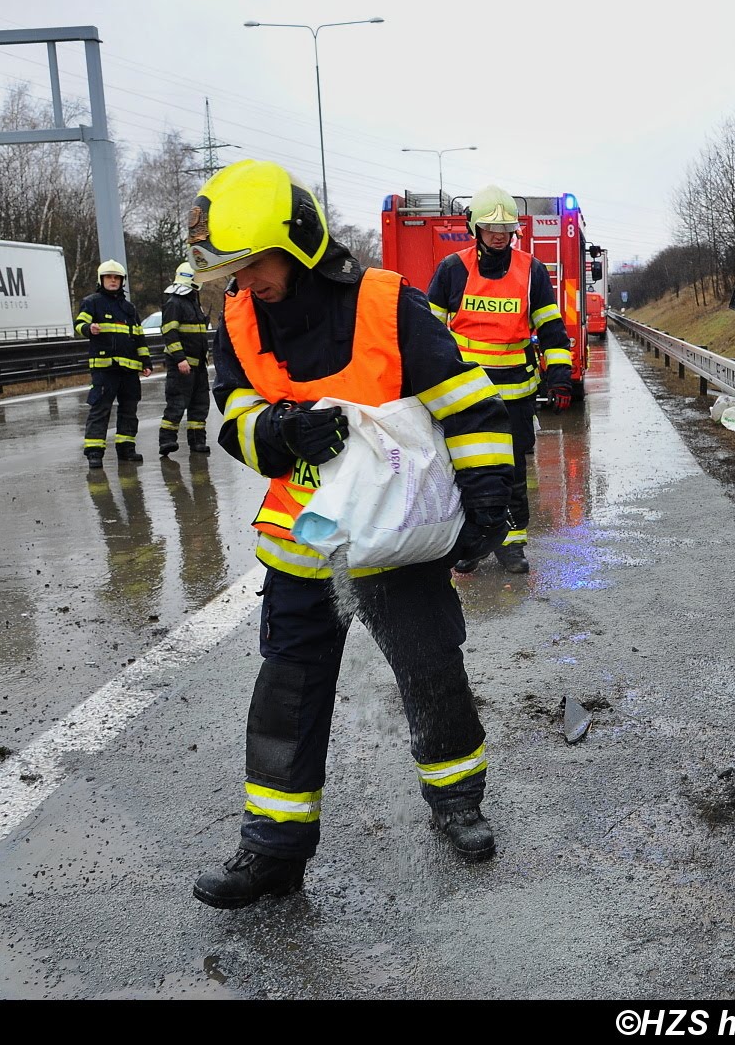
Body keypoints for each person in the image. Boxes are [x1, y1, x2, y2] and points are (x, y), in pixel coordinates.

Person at [185, 160, 516, 909]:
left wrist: (487, 499)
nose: (242, 282)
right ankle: (273, 849)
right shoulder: (236, 317)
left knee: (431, 670)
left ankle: (457, 801)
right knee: (288, 691)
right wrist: (278, 431)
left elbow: (467, 405)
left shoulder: (387, 304)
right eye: (230, 270)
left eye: (252, 264)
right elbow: (233, 418)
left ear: (297, 243)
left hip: (395, 537)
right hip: (301, 542)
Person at [426, 184, 573, 574]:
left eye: (506, 228)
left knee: (512, 473)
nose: (498, 235)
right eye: (491, 227)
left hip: (515, 394)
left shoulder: (531, 270)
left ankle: (511, 544)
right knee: (465, 470)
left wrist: (560, 375)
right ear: (475, 227)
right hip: (465, 395)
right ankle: (471, 544)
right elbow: (428, 332)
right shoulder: (452, 269)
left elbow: (551, 329)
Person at [73, 259, 151, 469]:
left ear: (122, 281)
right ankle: (94, 453)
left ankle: (126, 449)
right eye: (109, 277)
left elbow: (139, 337)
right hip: (105, 368)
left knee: (129, 411)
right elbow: (79, 324)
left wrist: (146, 361)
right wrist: (89, 328)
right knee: (100, 410)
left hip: (129, 370)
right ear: (101, 280)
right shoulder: (92, 302)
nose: (113, 281)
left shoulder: (129, 308)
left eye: (117, 277)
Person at [156, 261, 213, 459]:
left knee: (200, 405)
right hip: (181, 365)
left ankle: (198, 441)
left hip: (198, 366)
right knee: (176, 404)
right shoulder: (174, 303)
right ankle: (166, 441)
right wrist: (180, 359)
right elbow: (169, 333)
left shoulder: (193, 302)